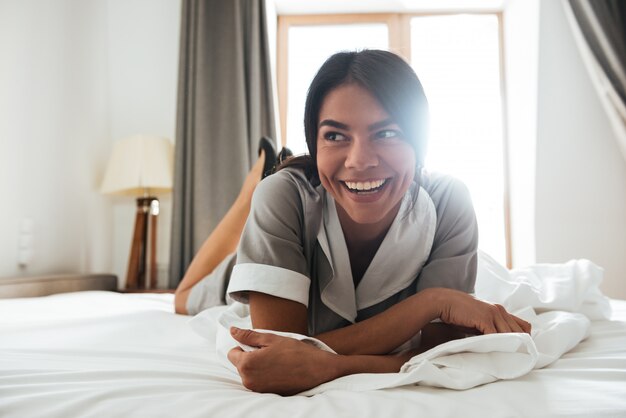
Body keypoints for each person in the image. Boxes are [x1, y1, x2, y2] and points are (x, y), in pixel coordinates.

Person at [174, 49, 531, 396]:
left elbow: (435, 356)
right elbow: (280, 352)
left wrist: (332, 366)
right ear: (314, 145)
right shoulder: (284, 197)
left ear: (419, 141)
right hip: (279, 249)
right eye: (335, 135)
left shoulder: (448, 200)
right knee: (183, 298)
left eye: (387, 133)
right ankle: (253, 184)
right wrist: (431, 302)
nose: (360, 161)